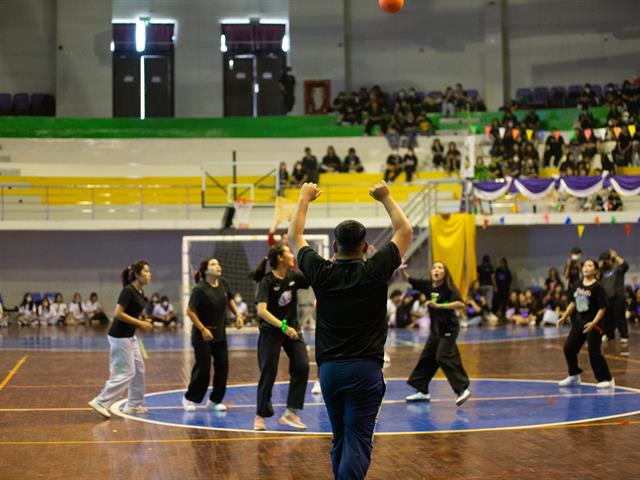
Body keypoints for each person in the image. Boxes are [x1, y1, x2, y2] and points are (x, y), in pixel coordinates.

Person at [289, 180, 412, 479]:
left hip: (330, 371)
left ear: (334, 247)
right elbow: (405, 231)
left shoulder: (321, 271)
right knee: (357, 441)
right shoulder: (375, 269)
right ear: (366, 247)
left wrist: (304, 198)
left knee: (340, 439)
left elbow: (294, 236)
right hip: (364, 370)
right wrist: (386, 197)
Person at [250, 243, 310, 431]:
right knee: (269, 371)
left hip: (292, 329)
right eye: (289, 252)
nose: (292, 255)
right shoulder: (267, 282)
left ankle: (291, 413)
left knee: (302, 366)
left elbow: (314, 278)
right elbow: (261, 311)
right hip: (272, 331)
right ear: (281, 258)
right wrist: (283, 326)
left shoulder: (294, 277)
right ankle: (260, 415)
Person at [88, 261, 153, 418]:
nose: (149, 274)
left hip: (130, 336)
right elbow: (118, 313)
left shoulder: (141, 293)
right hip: (119, 336)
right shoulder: (128, 291)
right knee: (127, 372)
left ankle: (133, 405)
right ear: (137, 274)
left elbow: (133, 312)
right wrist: (140, 324)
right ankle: (101, 401)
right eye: (146, 271)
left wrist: (143, 318)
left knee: (139, 370)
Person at [404, 262, 471, 405]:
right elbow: (409, 279)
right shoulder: (428, 285)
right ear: (431, 272)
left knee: (442, 356)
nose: (436, 270)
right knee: (427, 356)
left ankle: (461, 390)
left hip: (449, 328)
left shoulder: (449, 288)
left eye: (440, 268)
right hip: (436, 329)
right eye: (434, 267)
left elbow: (460, 304)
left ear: (445, 273)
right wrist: (401, 269)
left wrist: (440, 306)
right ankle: (422, 391)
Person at [182, 258, 244, 412]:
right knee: (203, 370)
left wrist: (238, 315)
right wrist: (203, 329)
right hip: (202, 336)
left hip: (220, 336)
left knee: (223, 368)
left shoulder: (223, 284)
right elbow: (190, 311)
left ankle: (215, 400)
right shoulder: (200, 289)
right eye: (214, 264)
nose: (218, 266)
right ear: (205, 271)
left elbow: (229, 299)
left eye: (218, 263)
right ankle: (189, 398)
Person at [556, 259, 615, 389]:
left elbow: (602, 308)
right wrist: (564, 317)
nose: (586, 267)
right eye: (584, 265)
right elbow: (573, 302)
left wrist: (594, 322)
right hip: (579, 321)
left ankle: (607, 379)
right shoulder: (577, 284)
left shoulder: (598, 287)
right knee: (569, 348)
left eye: (590, 265)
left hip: (594, 323)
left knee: (594, 351)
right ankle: (574, 375)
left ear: (595, 270)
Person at [599, 250, 629, 345]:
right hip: (607, 298)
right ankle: (609, 335)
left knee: (619, 317)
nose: (604, 263)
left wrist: (615, 257)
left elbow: (625, 265)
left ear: (609, 260)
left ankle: (624, 335)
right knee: (607, 318)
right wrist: (599, 267)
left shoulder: (616, 267)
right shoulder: (602, 271)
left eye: (605, 261)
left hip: (618, 297)